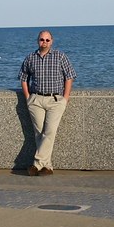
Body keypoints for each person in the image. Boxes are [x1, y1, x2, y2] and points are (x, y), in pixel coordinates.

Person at [19, 30, 77, 176]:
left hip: (55, 100)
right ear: (37, 41)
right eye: (41, 40)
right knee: (39, 133)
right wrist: (28, 98)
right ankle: (47, 167)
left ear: (52, 41)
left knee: (50, 131)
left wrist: (65, 98)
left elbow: (69, 77)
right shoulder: (30, 58)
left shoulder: (60, 56)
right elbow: (23, 78)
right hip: (36, 100)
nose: (44, 42)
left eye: (47, 40)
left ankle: (36, 163)